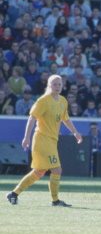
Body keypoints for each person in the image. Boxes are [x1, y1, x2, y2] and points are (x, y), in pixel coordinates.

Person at [7, 75, 83, 207]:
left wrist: (75, 132)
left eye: (59, 84)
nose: (57, 87)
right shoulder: (43, 101)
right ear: (49, 85)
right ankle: (55, 200)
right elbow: (32, 118)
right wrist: (26, 137)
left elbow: (65, 119)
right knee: (56, 170)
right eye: (54, 84)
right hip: (42, 139)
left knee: (39, 172)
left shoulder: (63, 101)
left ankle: (14, 193)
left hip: (52, 141)